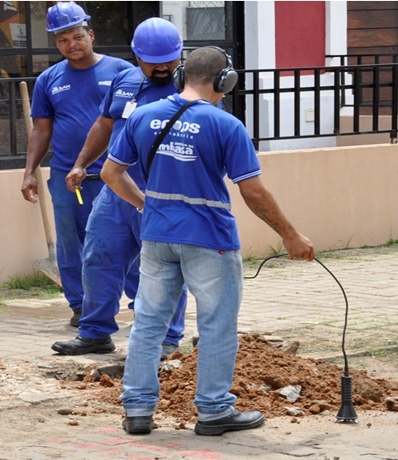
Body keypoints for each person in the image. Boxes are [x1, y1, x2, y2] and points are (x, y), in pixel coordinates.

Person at [101, 46, 315, 436]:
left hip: (157, 238)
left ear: (183, 74)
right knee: (217, 326)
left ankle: (137, 410)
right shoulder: (225, 125)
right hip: (209, 241)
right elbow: (252, 191)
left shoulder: (143, 116)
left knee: (148, 324)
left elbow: (112, 174)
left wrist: (146, 206)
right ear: (224, 81)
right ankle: (215, 411)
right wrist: (290, 235)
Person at [51, 18, 188, 360]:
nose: (161, 67)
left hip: (162, 195)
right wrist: (81, 163)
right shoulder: (124, 80)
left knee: (163, 268)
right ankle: (95, 333)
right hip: (115, 191)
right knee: (98, 260)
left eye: (169, 60)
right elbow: (104, 124)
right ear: (136, 56)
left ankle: (166, 338)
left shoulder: (192, 87)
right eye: (152, 61)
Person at [20, 1, 133, 327]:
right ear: (56, 43)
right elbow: (41, 131)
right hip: (68, 179)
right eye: (62, 39)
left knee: (127, 241)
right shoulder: (49, 79)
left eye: (77, 36)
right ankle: (81, 306)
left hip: (118, 176)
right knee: (71, 246)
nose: (71, 44)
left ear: (91, 34)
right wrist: (30, 173)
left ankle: (140, 302)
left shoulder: (121, 72)